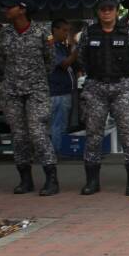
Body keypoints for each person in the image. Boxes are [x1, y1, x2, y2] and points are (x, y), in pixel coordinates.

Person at [77, 0, 129, 196]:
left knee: (128, 134)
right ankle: (92, 181)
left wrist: (128, 74)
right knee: (93, 134)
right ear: (98, 11)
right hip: (96, 86)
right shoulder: (89, 34)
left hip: (122, 85)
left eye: (110, 8)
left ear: (117, 10)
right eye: (103, 8)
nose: (106, 12)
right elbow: (81, 58)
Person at [0, 0, 59, 196]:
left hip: (36, 90)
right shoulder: (4, 34)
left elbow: (50, 61)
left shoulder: (41, 32)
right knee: (19, 135)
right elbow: (1, 59)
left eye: (10, 7)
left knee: (37, 132)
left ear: (22, 9)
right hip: (12, 90)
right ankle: (25, 179)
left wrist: (34, 77)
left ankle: (51, 178)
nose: (6, 11)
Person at [48, 19, 77, 156]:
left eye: (68, 31)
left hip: (64, 90)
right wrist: (76, 52)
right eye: (64, 30)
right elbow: (64, 64)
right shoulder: (52, 46)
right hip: (57, 92)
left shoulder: (61, 46)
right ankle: (56, 151)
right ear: (55, 30)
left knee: (62, 123)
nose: (66, 33)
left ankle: (59, 148)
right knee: (57, 124)